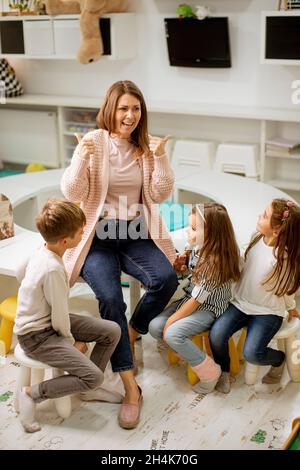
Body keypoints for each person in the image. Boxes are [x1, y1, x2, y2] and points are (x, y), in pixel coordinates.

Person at [61, 80, 178, 429]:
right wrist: (80, 158)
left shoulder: (145, 147)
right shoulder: (95, 142)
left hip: (133, 232)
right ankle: (130, 387)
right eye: (124, 108)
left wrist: (161, 158)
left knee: (166, 278)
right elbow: (73, 191)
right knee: (111, 298)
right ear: (110, 108)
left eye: (136, 109)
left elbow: (160, 194)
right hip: (98, 236)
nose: (130, 115)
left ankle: (130, 330)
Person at [14, 200, 121, 433]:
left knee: (112, 330)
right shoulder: (53, 268)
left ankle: (86, 387)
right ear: (66, 241)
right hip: (37, 335)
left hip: (45, 321)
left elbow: (20, 272)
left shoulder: (42, 249)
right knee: (94, 376)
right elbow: (60, 316)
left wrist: (33, 297)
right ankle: (32, 394)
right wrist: (71, 343)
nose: (84, 233)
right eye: (80, 232)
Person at [210, 199, 300, 394]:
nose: (260, 216)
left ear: (276, 231)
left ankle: (279, 359)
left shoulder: (283, 258)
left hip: (267, 312)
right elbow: (244, 265)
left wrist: (291, 307)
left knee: (252, 353)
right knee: (216, 334)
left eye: (265, 216)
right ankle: (223, 371)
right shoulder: (256, 237)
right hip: (241, 303)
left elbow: (286, 289)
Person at [149, 203, 240, 393]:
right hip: (190, 300)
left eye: (192, 228)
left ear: (211, 234)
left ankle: (210, 373)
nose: (186, 231)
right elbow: (191, 278)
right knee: (154, 327)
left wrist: (171, 322)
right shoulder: (197, 248)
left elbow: (197, 300)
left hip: (208, 308)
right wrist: (182, 269)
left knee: (171, 332)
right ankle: (182, 348)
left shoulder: (215, 262)